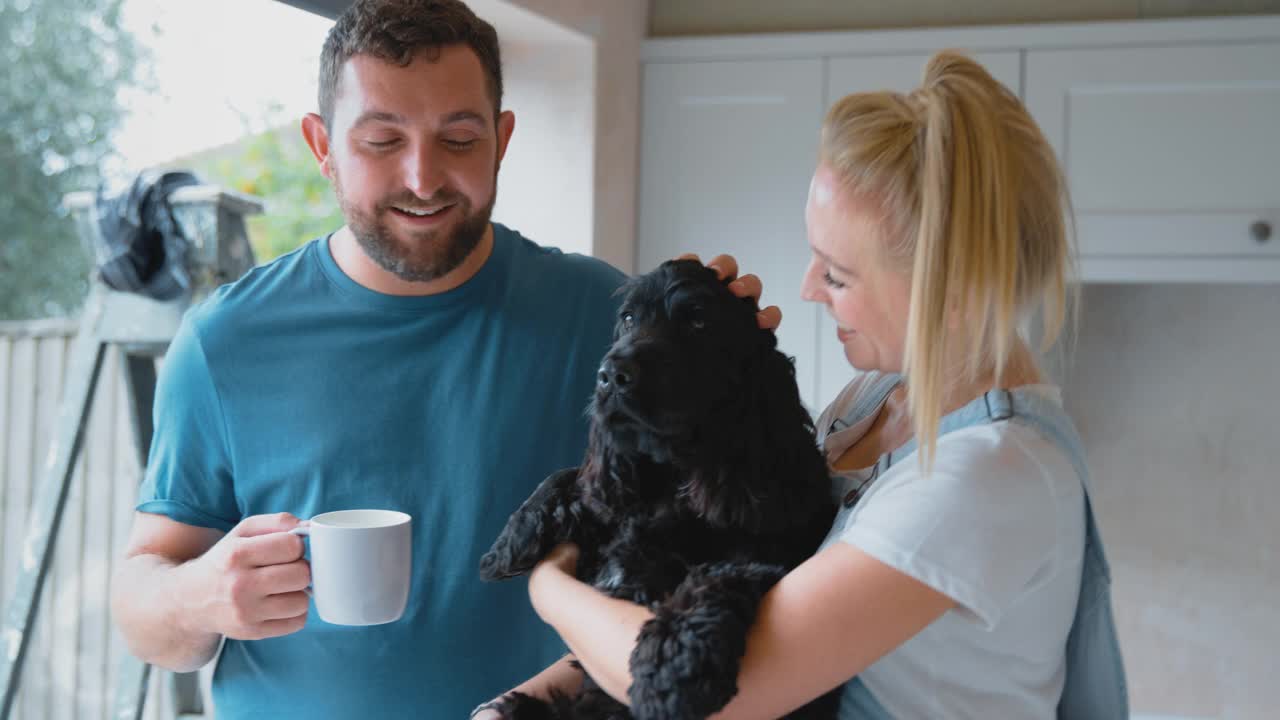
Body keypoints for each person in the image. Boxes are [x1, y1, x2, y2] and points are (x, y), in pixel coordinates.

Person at [107, 1, 776, 717]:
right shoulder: (224, 341)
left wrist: (732, 362)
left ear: (502, 139)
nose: (423, 179)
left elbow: (729, 518)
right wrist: (195, 596)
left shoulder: (606, 317)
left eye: (458, 139)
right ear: (322, 146)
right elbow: (144, 599)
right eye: (381, 141)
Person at [475, 50, 1128, 719]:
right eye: (814, 257)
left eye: (837, 274)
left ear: (952, 293)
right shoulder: (875, 400)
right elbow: (691, 597)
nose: (807, 290)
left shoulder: (986, 475)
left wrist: (548, 586)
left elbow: (722, 691)